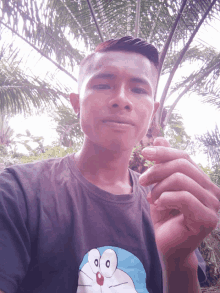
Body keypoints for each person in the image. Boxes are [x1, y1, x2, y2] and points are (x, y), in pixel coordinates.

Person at [0, 36, 219, 293]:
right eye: (103, 85)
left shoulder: (170, 202)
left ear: (153, 111)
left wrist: (179, 258)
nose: (121, 99)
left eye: (139, 90)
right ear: (76, 103)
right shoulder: (18, 192)